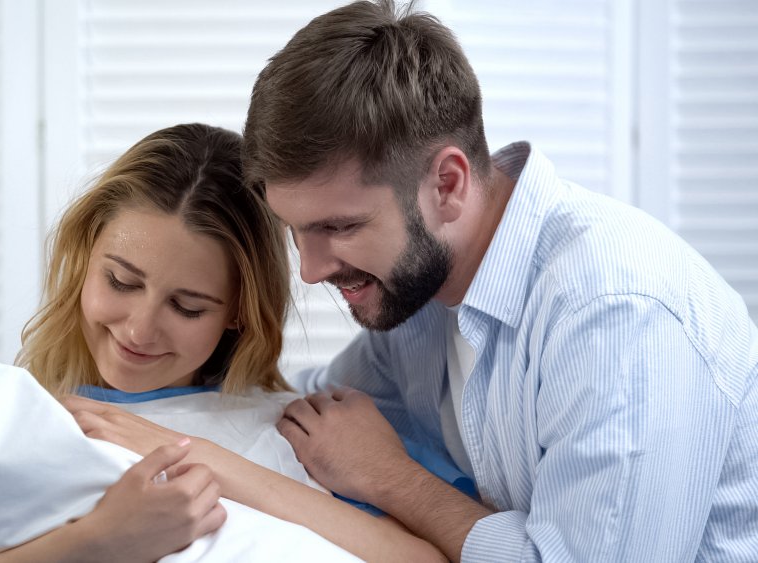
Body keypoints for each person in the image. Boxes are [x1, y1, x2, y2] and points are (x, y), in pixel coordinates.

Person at [228, 1, 758, 561]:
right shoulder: (418, 297)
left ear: (448, 185)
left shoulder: (616, 312)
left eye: (340, 226)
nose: (310, 271)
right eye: (297, 231)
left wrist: (391, 477)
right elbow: (310, 411)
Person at [0, 123, 446, 562]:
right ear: (84, 256)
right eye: (121, 281)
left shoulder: (305, 437)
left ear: (237, 312)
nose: (140, 329)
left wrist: (208, 460)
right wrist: (99, 543)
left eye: (188, 306)